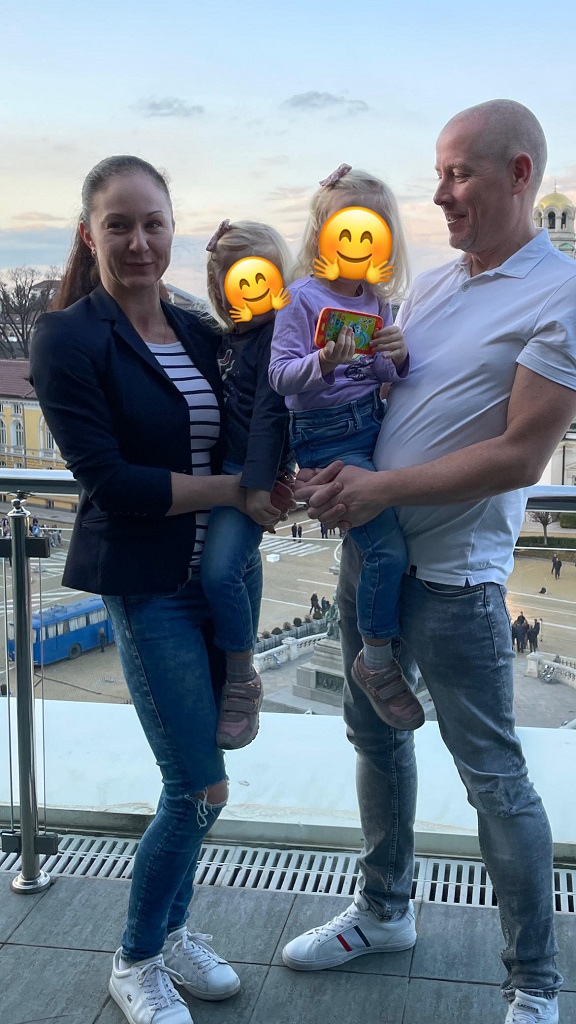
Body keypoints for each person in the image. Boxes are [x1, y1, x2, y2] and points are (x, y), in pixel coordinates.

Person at [284, 100, 576, 1023]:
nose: (440, 195)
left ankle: (533, 983)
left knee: (494, 780)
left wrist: (379, 489)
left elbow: (521, 455)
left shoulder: (561, 294)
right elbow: (386, 396)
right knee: (373, 740)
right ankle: (385, 911)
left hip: (455, 582)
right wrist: (335, 469)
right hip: (374, 557)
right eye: (438, 174)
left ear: (519, 174)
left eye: (459, 174)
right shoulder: (437, 285)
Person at [29, 154, 292, 1024]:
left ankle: (173, 931)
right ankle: (136, 957)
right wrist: (235, 491)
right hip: (149, 588)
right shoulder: (69, 338)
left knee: (209, 777)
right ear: (89, 234)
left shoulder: (203, 332)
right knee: (195, 787)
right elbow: (111, 482)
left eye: (153, 224)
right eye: (119, 225)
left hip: (228, 578)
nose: (139, 242)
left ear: (174, 231)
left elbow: (265, 405)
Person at [270, 165, 424, 732]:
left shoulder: (378, 301)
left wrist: (397, 355)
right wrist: (323, 361)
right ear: (322, 233)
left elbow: (381, 373)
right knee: (385, 552)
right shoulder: (299, 298)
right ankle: (376, 660)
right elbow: (281, 377)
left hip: (372, 424)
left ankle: (382, 644)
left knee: (393, 537)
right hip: (330, 435)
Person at [201, 219, 293, 750]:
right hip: (223, 474)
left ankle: (242, 677)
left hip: (248, 476)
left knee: (219, 573)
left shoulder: (277, 335)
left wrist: (257, 485)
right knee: (231, 567)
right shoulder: (231, 337)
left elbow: (271, 416)